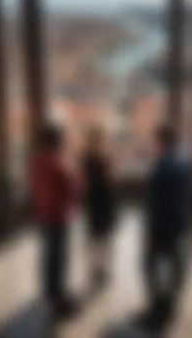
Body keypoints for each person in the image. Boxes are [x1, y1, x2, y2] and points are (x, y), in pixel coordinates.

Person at [139, 124, 192, 329]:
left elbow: (156, 202)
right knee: (174, 262)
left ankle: (158, 307)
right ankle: (171, 303)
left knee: (150, 265)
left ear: (161, 141)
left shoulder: (161, 166)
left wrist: (150, 230)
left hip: (161, 226)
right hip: (179, 223)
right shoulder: (184, 162)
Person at [29, 123, 82, 319]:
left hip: (42, 215)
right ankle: (59, 299)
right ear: (57, 140)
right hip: (59, 216)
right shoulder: (59, 160)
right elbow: (75, 185)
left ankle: (49, 293)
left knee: (48, 255)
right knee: (59, 258)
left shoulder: (35, 160)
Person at [81, 126, 117, 290]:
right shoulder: (104, 158)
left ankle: (96, 270)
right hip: (102, 201)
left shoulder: (85, 157)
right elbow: (110, 181)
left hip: (93, 202)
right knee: (103, 238)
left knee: (95, 238)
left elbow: (83, 182)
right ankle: (101, 270)